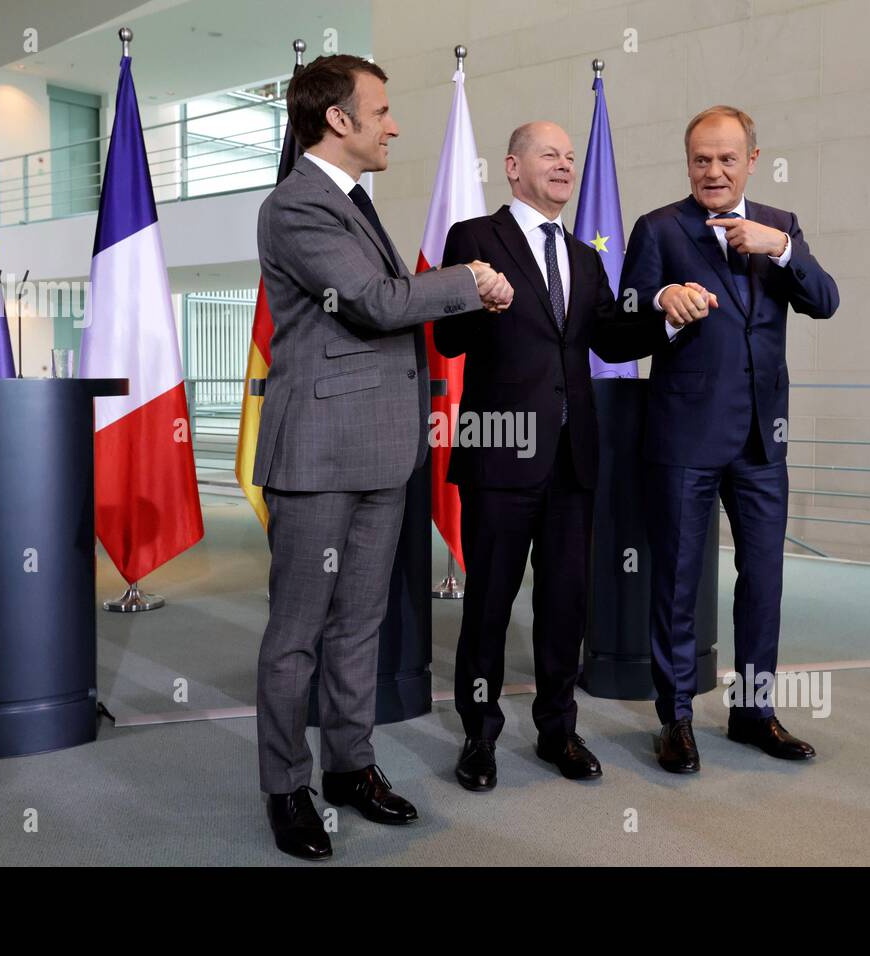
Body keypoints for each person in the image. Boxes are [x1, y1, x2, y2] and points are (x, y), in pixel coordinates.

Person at [252, 54, 513, 860]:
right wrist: (469, 278)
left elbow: (382, 307)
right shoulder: (298, 204)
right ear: (338, 118)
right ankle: (285, 786)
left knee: (361, 625)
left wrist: (463, 290)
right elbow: (372, 304)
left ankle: (349, 767)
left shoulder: (354, 203)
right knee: (297, 633)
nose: (395, 124)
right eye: (384, 110)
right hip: (317, 455)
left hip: (378, 451)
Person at [612, 105, 840, 774]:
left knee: (763, 580)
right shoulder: (658, 228)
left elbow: (824, 300)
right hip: (684, 435)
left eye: (726, 158)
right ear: (688, 163)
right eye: (701, 159)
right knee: (679, 581)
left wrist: (784, 251)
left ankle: (754, 713)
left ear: (752, 160)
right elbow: (623, 325)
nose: (713, 170)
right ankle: (676, 719)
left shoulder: (783, 226)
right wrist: (660, 304)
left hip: (763, 442)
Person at [436, 121, 645, 791]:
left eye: (570, 156)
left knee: (564, 603)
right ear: (513, 167)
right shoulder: (474, 238)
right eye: (549, 154)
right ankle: (478, 733)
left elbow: (609, 341)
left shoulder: (586, 256)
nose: (564, 164)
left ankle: (559, 730)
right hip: (499, 454)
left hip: (573, 458)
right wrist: (476, 293)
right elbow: (447, 339)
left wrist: (664, 315)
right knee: (489, 606)